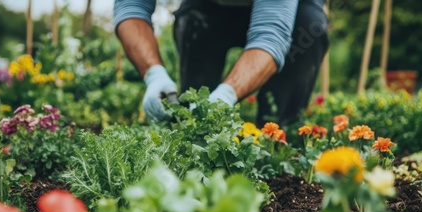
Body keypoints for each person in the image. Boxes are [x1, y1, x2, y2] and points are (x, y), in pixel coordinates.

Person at [114, 0, 329, 126]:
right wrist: (154, 74)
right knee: (193, 23)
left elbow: (270, 36)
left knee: (308, 29)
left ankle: (278, 134)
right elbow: (131, 6)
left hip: (293, 10)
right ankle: (193, 130)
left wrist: (227, 94)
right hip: (210, 7)